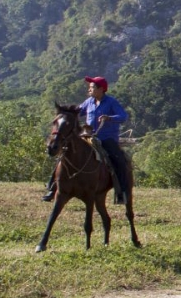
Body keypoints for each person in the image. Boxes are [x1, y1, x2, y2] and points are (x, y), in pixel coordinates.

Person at [43, 76, 132, 204]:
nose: (89, 90)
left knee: (119, 160)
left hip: (106, 138)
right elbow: (77, 113)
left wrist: (109, 118)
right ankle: (52, 187)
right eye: (89, 87)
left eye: (92, 87)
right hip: (87, 137)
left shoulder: (111, 102)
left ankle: (121, 193)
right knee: (65, 155)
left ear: (101, 89)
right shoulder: (88, 102)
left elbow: (123, 116)